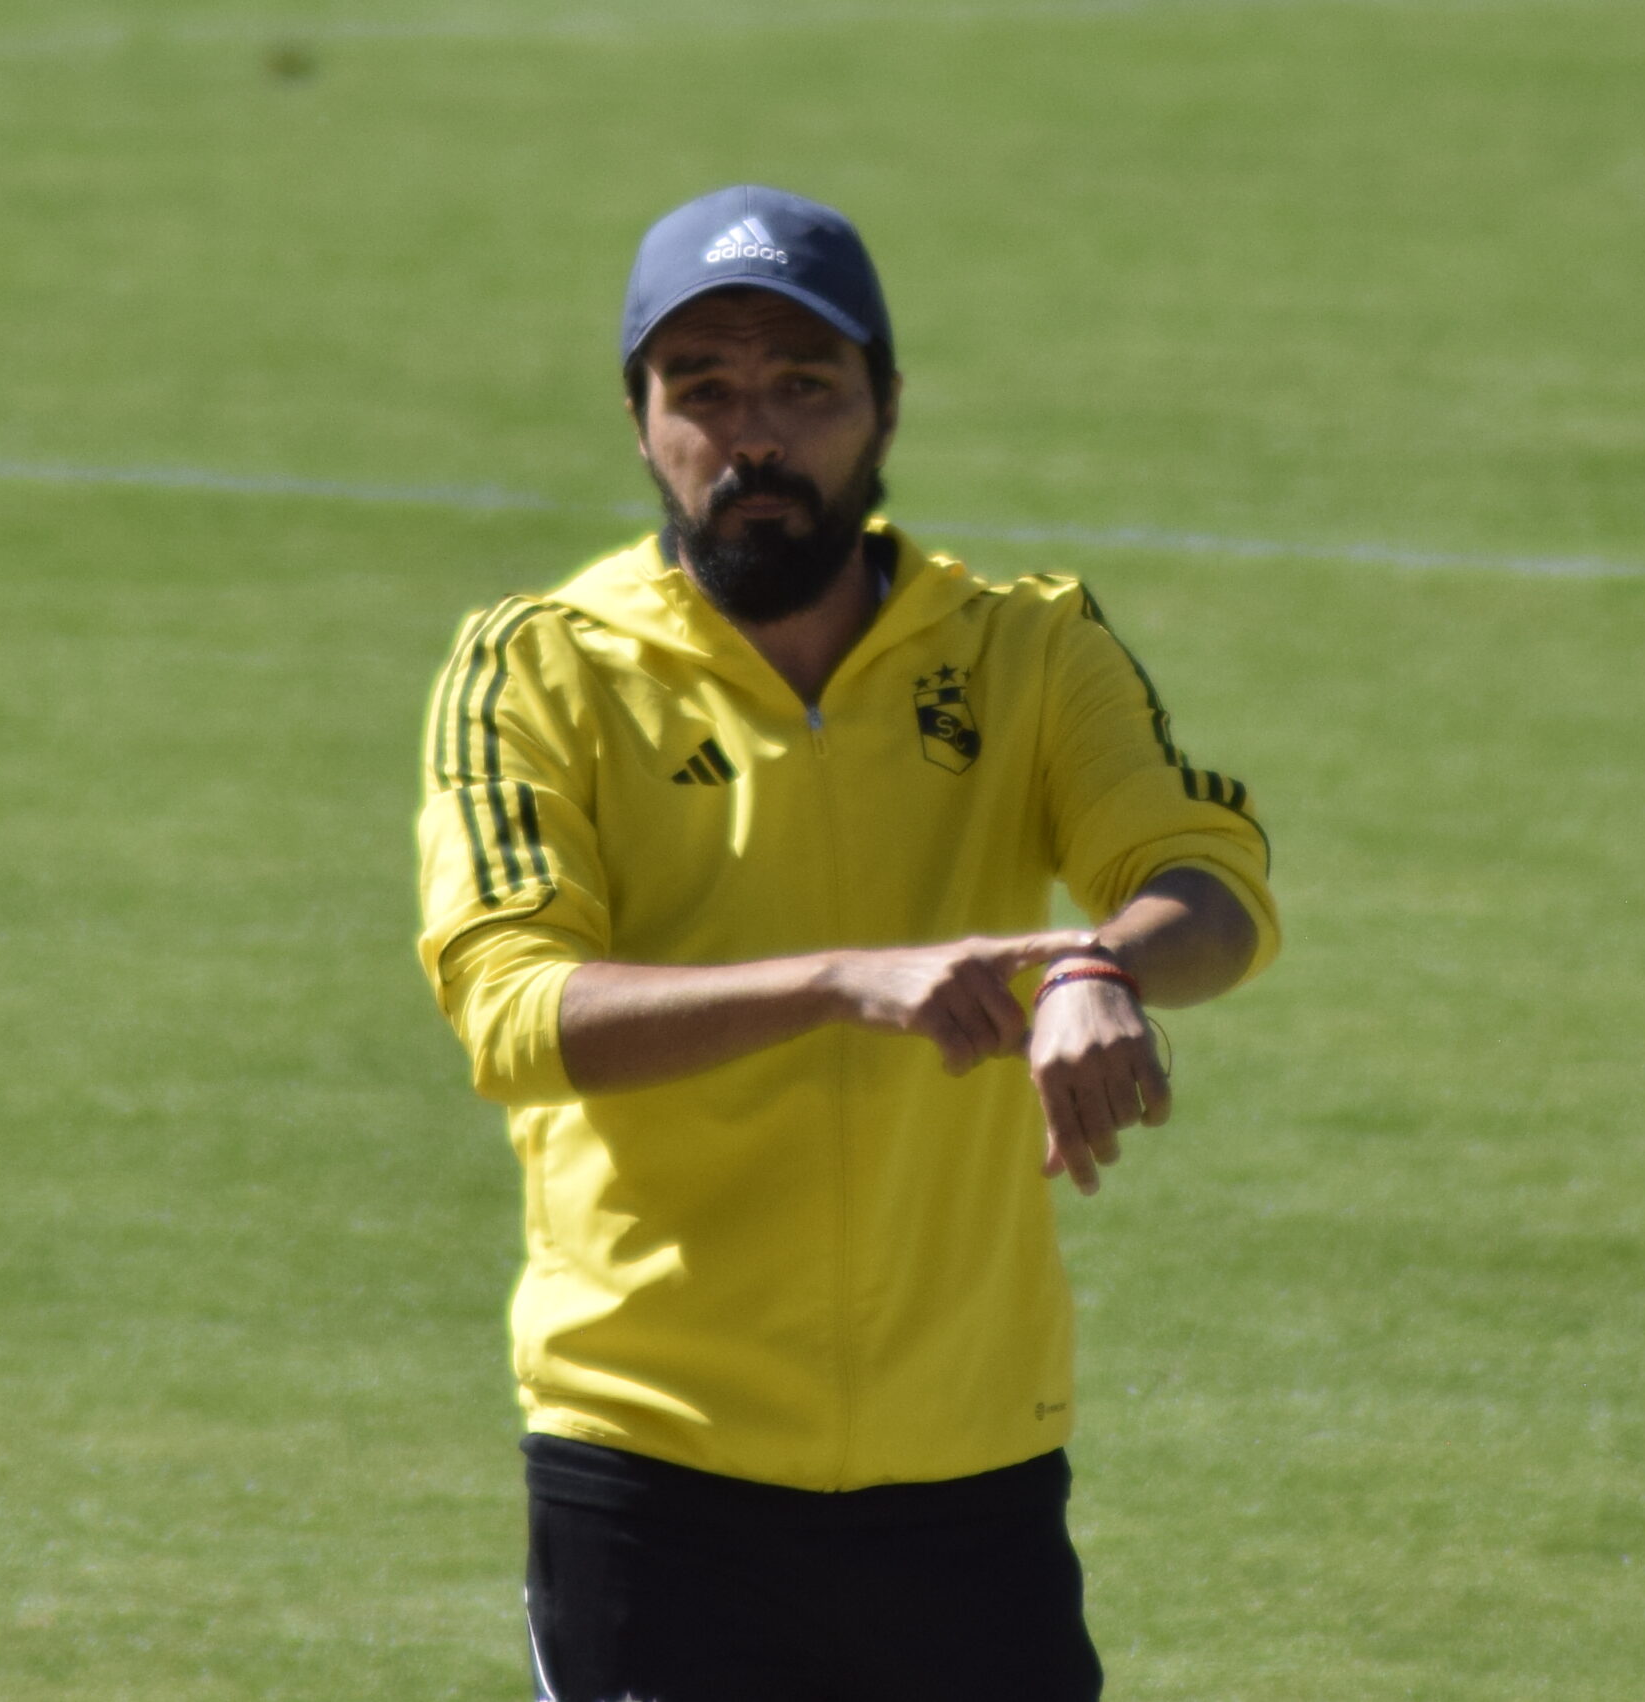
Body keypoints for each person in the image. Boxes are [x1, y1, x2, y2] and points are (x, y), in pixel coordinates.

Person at [414, 184, 1280, 1702]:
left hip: (970, 1464)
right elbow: (513, 1012)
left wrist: (1103, 966)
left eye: (805, 386)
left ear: (885, 407)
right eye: (706, 389)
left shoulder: (1029, 646)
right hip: (655, 1457)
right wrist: (838, 981)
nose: (755, 433)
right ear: (640, 420)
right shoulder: (538, 668)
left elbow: (1208, 876)